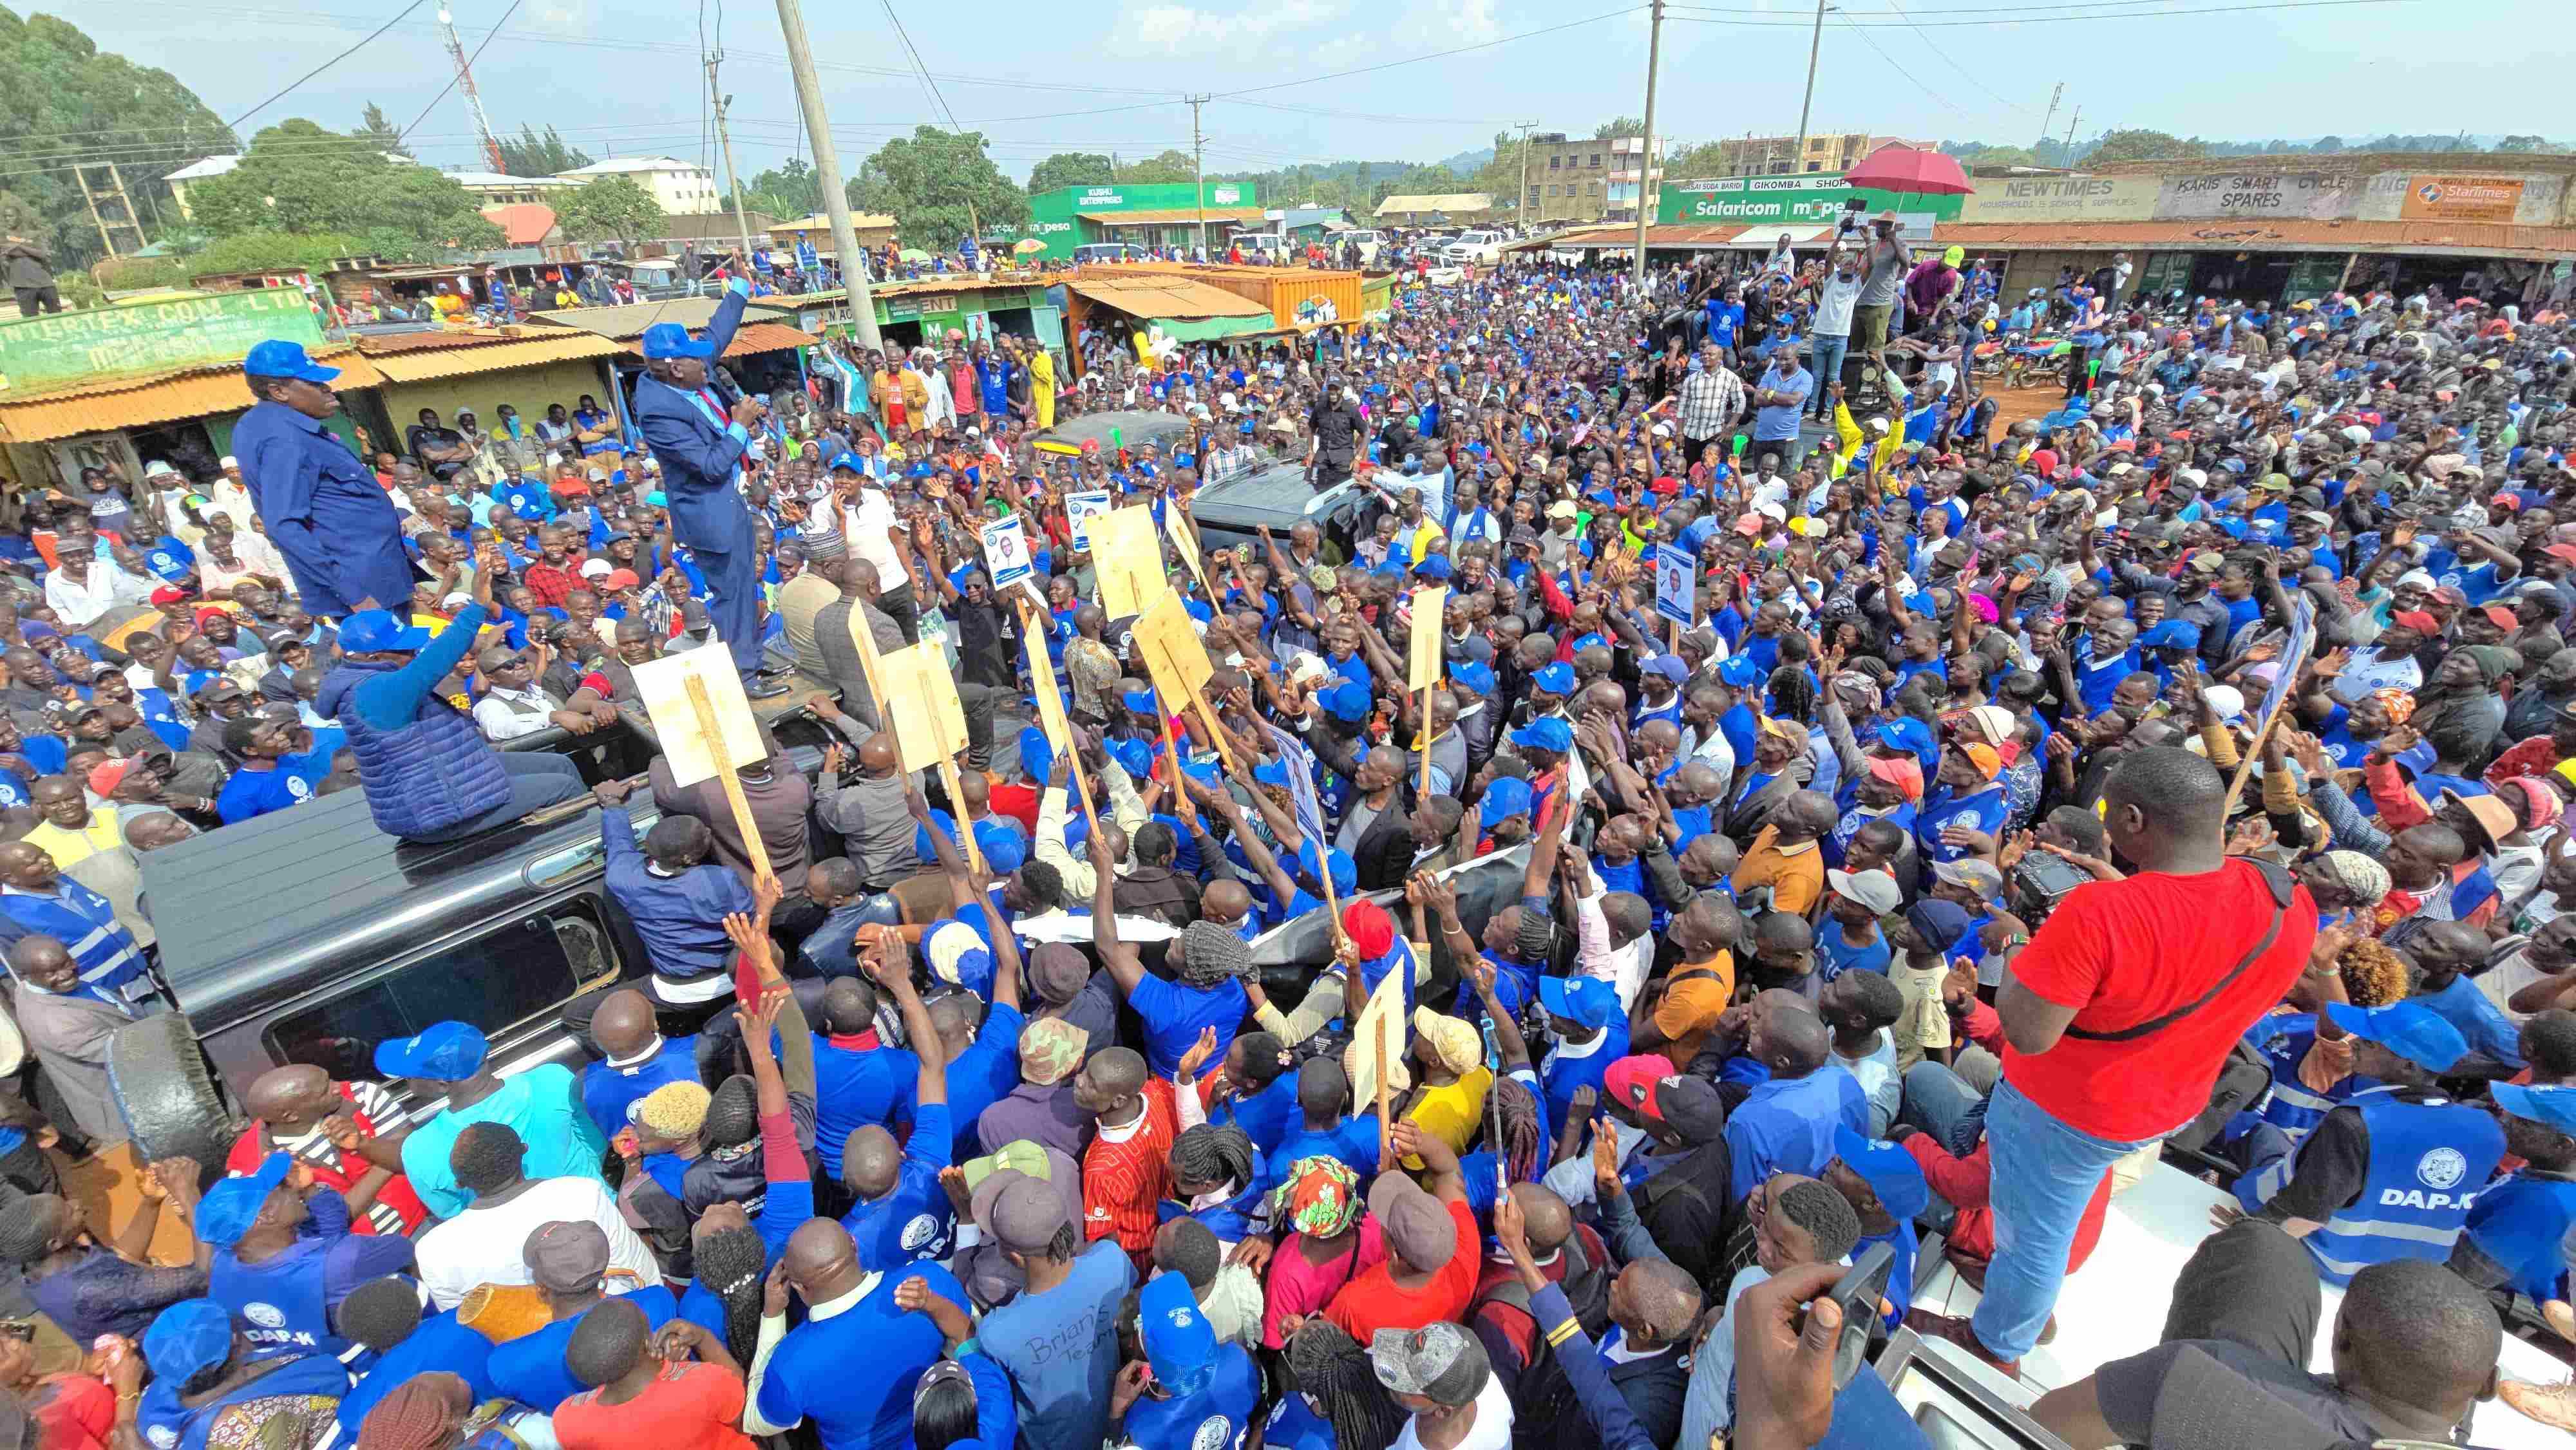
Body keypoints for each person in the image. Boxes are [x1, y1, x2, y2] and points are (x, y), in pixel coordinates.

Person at [1908, 747, 2320, 1373]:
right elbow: (2190, 942)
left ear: (2132, 819)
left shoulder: (2096, 912)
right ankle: (2021, 1302)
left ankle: (1997, 1341)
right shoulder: (2286, 898)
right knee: (2066, 1200)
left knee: (2030, 1235)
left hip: (2071, 1110)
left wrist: (2023, 940)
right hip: (2165, 1101)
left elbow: (2026, 1030)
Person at [315, 583, 586, 843]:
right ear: (371, 658)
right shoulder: (373, 692)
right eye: (405, 649)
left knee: (561, 765)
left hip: (447, 778)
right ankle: (578, 859)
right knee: (563, 786)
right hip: (438, 808)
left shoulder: (371, 679)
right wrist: (478, 606)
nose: (413, 653)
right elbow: (436, 661)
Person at [630, 277, 788, 698]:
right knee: (730, 595)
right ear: (676, 368)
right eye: (700, 362)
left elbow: (718, 333)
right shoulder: (658, 412)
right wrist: (740, 423)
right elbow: (711, 466)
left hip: (729, 503)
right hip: (708, 512)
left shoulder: (683, 372)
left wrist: (739, 285)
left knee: (746, 588)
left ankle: (752, 662)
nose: (710, 364)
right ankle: (744, 678)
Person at [234, 339, 415, 616]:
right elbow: (284, 525)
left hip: (375, 575)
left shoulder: (275, 425)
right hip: (364, 591)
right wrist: (353, 593)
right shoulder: (284, 439)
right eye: (314, 384)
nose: (327, 389)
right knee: (394, 659)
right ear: (278, 391)